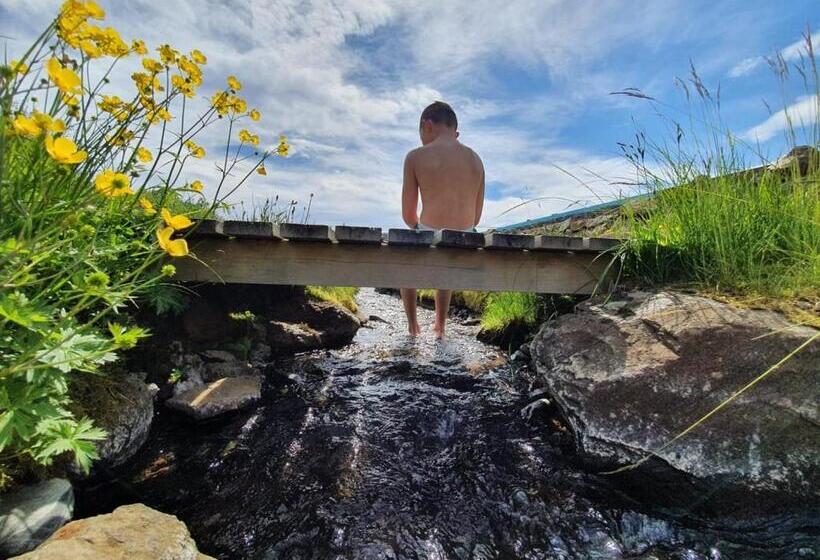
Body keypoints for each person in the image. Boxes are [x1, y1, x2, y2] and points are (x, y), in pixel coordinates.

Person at [400, 101, 485, 339]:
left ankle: (412, 326)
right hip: (467, 235)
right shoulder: (476, 160)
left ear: (426, 125)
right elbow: (477, 216)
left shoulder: (415, 157)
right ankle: (440, 326)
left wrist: (418, 227)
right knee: (446, 255)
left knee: (404, 262)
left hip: (430, 234)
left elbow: (408, 216)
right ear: (456, 132)